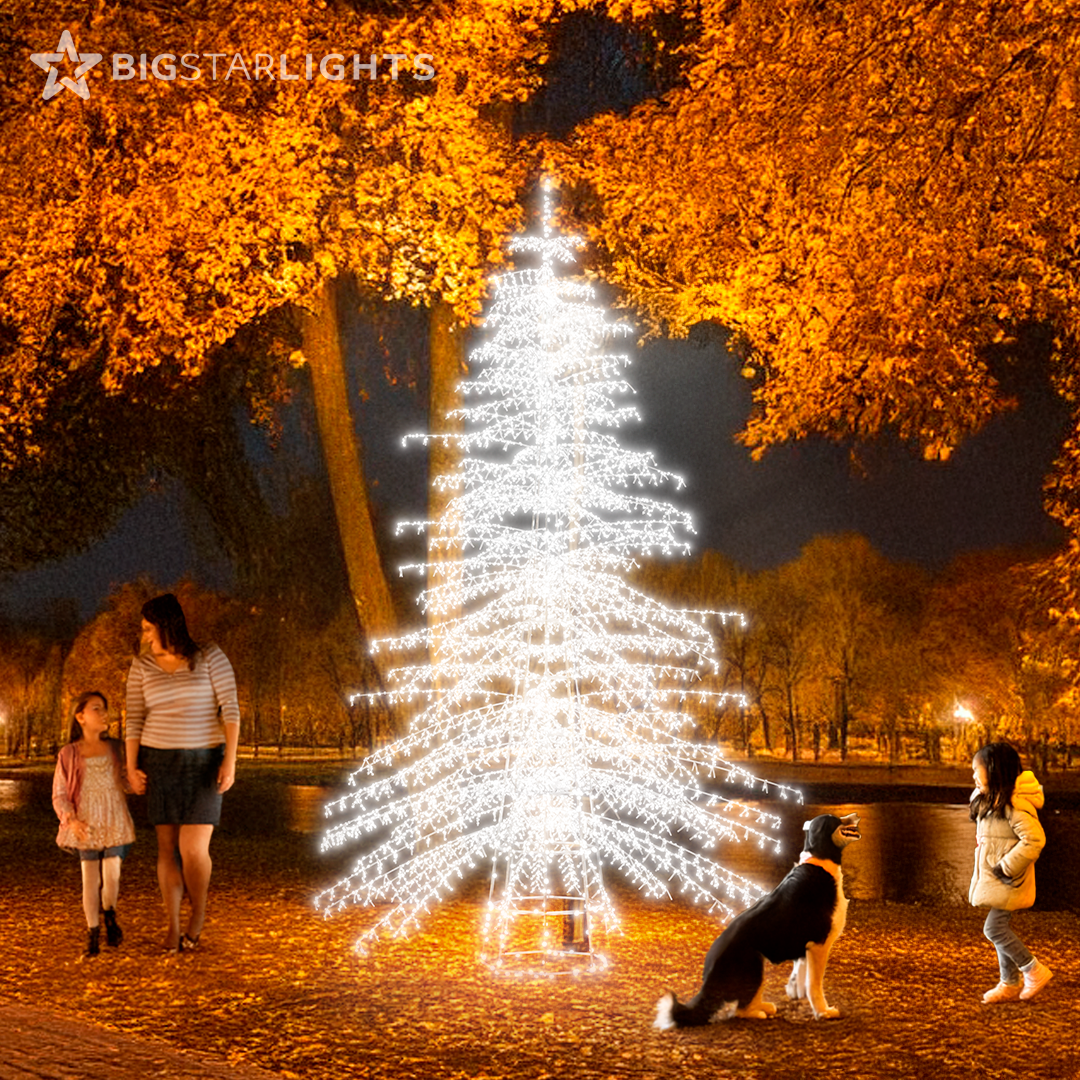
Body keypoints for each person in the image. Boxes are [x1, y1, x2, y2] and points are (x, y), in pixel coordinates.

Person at [125, 593, 240, 953]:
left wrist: (230, 760)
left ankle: (198, 915)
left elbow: (231, 710)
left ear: (166, 624)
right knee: (166, 850)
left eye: (148, 628)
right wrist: (131, 767)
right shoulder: (142, 666)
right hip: (159, 762)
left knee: (193, 849)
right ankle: (173, 927)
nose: (144, 635)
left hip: (204, 761)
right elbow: (134, 719)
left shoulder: (209, 656)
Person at [52, 690, 136, 958]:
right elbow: (60, 792)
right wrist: (71, 819)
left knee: (112, 875)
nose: (103, 713)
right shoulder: (69, 754)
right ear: (81, 717)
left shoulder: (117, 748)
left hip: (114, 817)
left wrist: (136, 782)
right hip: (85, 821)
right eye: (96, 709)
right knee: (90, 879)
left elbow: (126, 780)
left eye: (104, 708)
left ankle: (109, 911)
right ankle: (93, 932)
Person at [969, 741, 1053, 1003]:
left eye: (977, 770)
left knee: (993, 929)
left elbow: (1034, 839)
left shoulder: (1014, 806)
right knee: (999, 927)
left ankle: (1033, 970)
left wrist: (1006, 866)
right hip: (998, 877)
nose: (973, 775)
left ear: (994, 770)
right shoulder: (992, 801)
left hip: (1010, 878)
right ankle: (1009, 982)